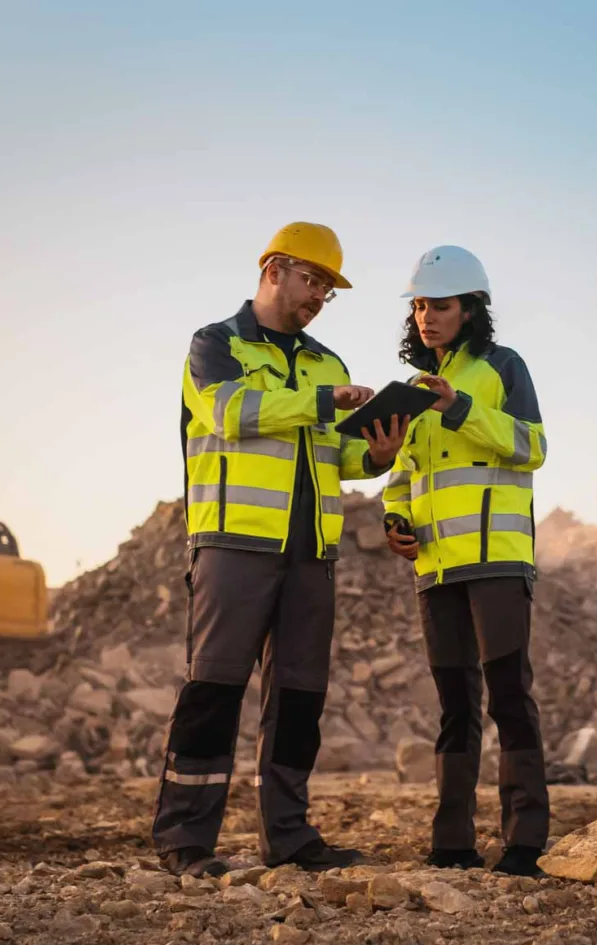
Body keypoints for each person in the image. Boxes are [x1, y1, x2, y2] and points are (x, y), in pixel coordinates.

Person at [153, 222, 408, 877]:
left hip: (310, 553)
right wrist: (322, 402)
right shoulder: (216, 344)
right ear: (274, 270)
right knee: (214, 689)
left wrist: (374, 455)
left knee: (299, 698)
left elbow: (339, 452)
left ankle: (288, 837)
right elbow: (230, 412)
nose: (320, 295)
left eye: (328, 287)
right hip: (233, 545)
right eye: (312, 280)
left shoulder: (329, 362)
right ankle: (186, 843)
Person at [381, 245, 551, 877]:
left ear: (471, 309)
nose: (427, 316)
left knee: (509, 697)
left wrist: (460, 408)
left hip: (498, 563)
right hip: (436, 570)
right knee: (455, 705)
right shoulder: (412, 390)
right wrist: (394, 519)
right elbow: (403, 476)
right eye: (420, 305)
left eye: (440, 305)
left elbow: (532, 446)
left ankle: (524, 842)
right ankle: (451, 843)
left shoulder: (503, 368)